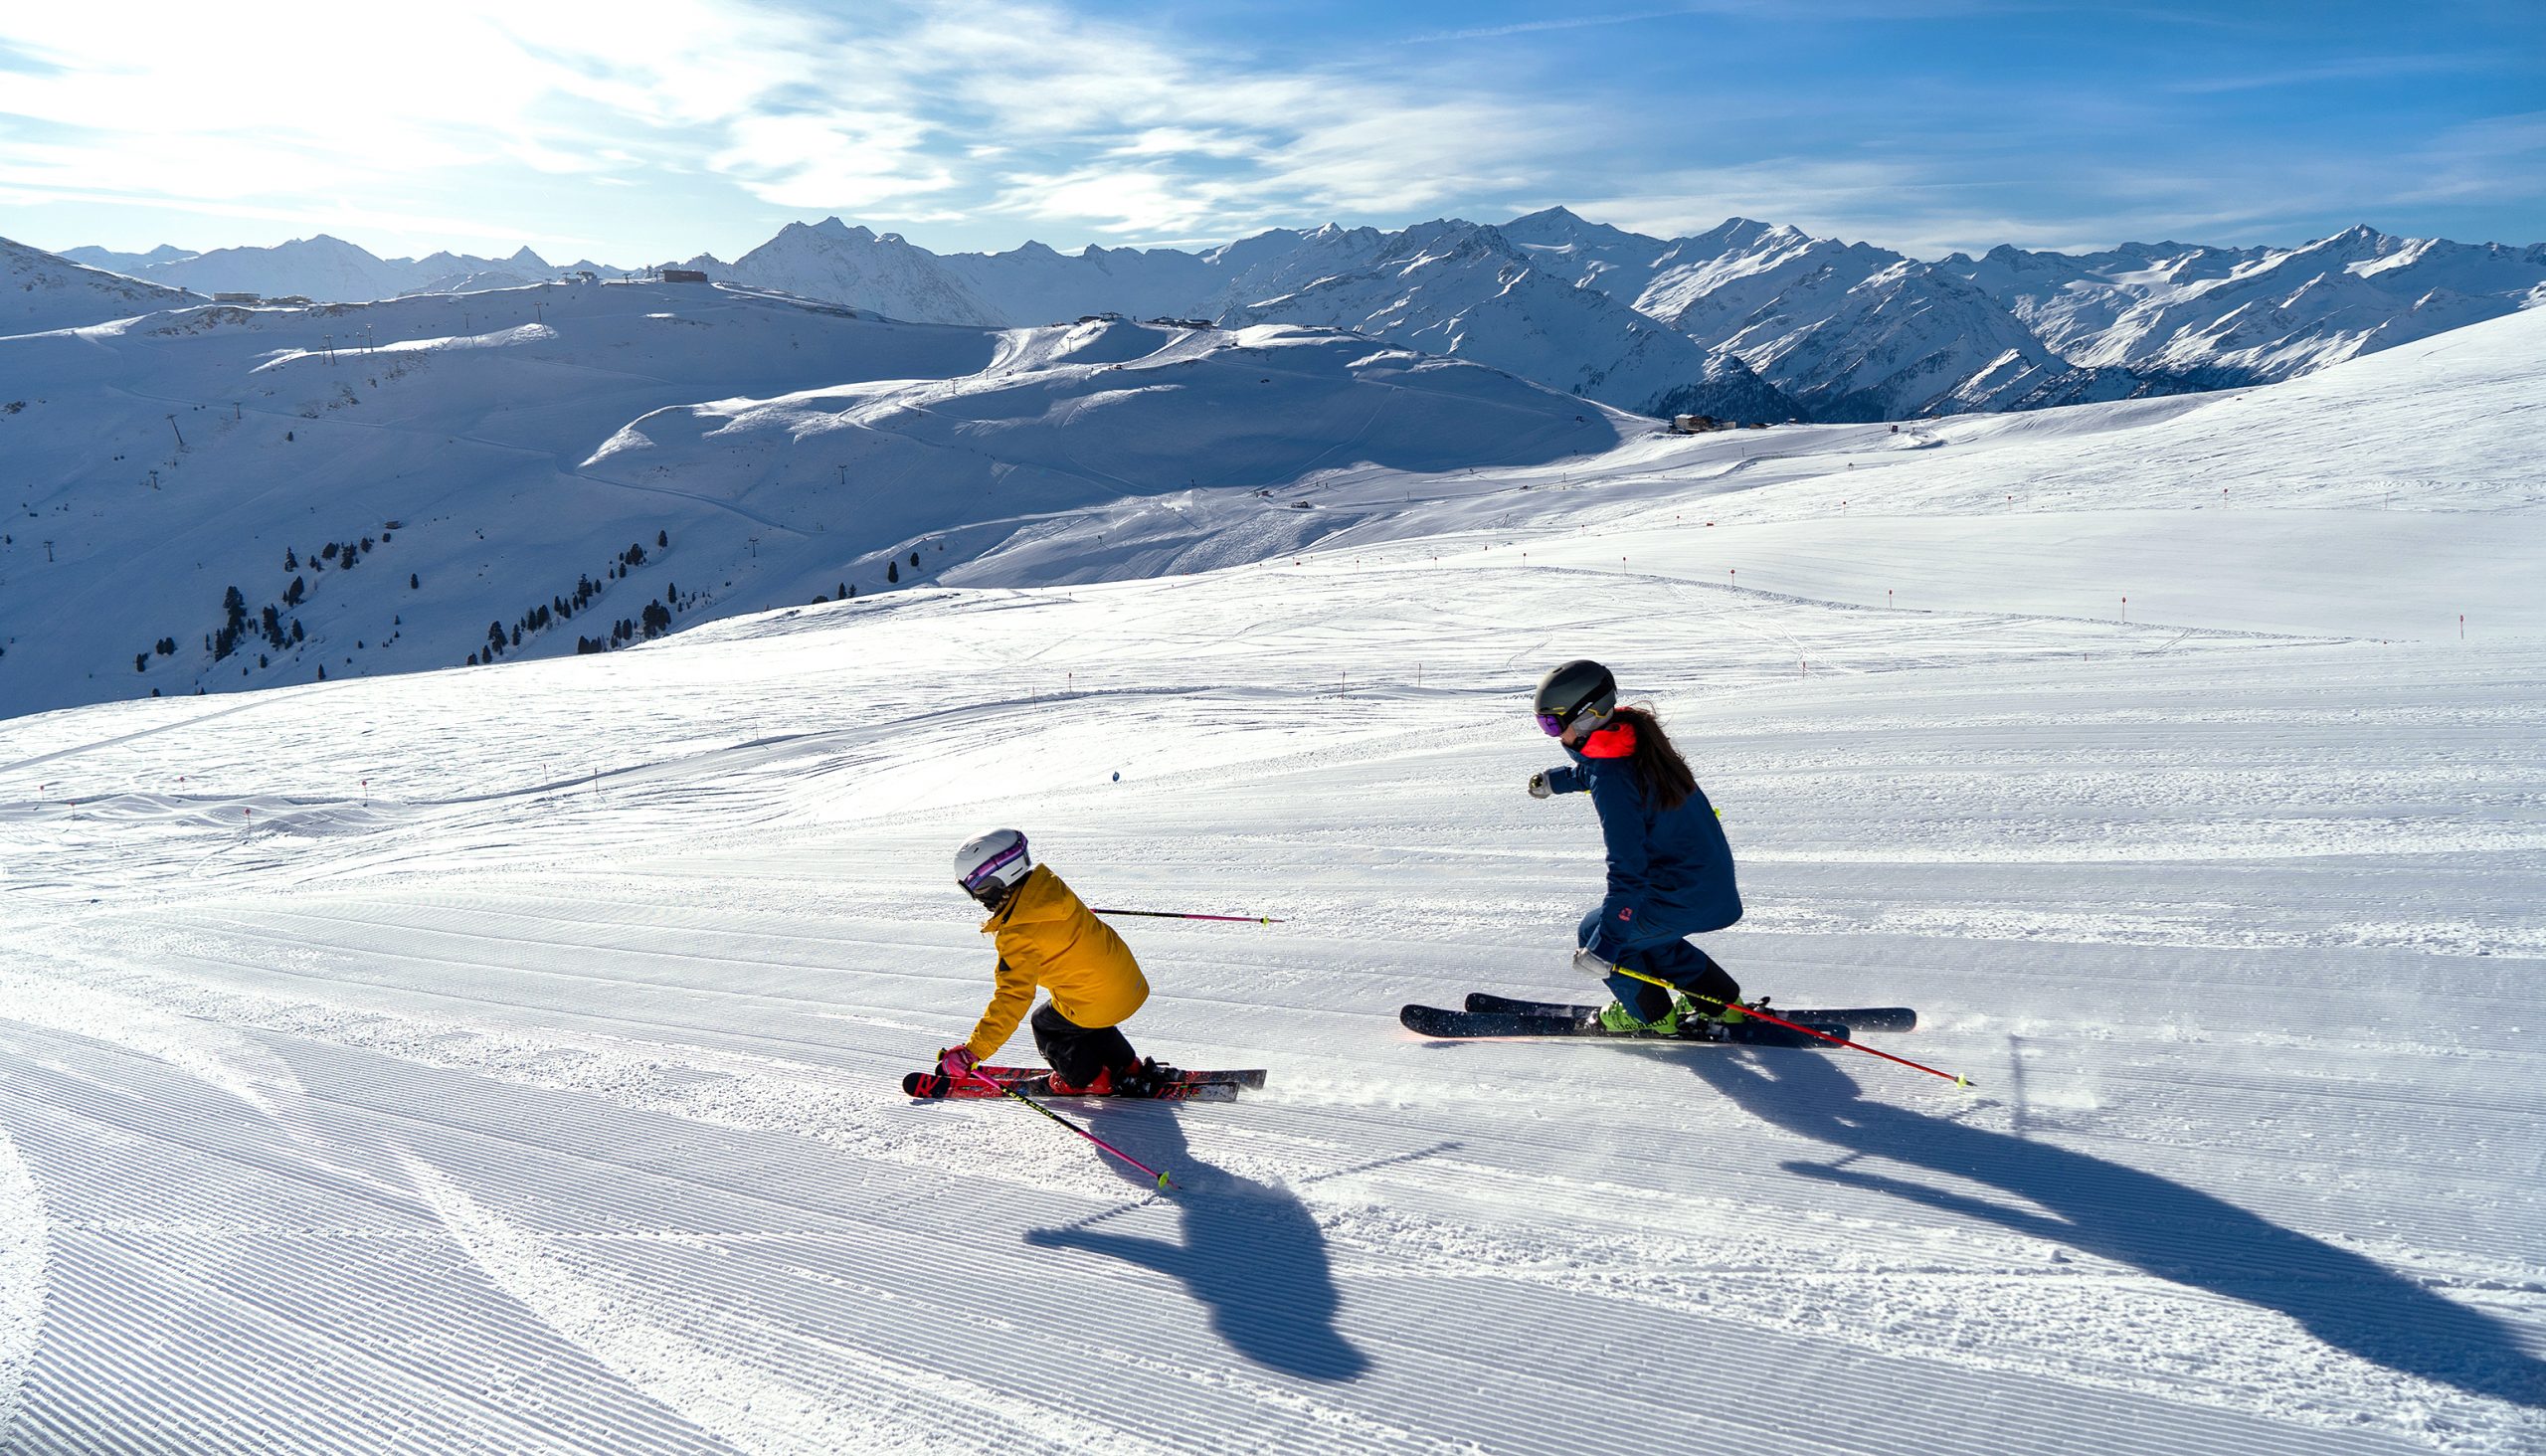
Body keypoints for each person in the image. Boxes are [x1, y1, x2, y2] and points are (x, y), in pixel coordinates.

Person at [1526, 659, 1748, 1034]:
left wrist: (1603, 948)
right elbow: (1600, 769)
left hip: (1682, 897)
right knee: (1652, 939)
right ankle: (1724, 1006)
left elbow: (1627, 868)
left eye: (1551, 723)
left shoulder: (1612, 780)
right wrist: (1556, 781)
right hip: (1711, 890)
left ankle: (1650, 1016)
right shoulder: (1636, 739)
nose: (1550, 733)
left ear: (1585, 717)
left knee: (1596, 930)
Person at [939, 828, 1172, 1096]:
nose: (978, 898)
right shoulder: (1048, 888)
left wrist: (972, 1052)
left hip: (1099, 1002)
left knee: (1046, 1023)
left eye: (977, 888)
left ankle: (1089, 1080)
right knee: (1077, 1012)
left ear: (997, 881)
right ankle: (1128, 1065)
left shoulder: (1017, 934)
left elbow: (1012, 997)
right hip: (1129, 985)